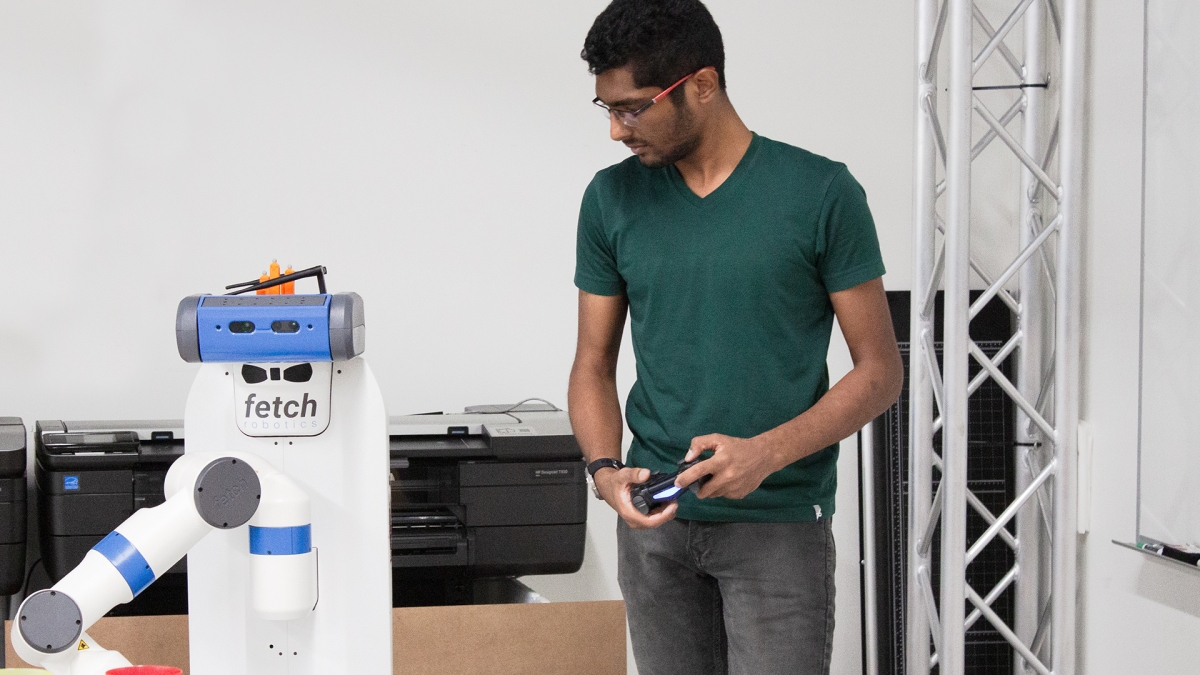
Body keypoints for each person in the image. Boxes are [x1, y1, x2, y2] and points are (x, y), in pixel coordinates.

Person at [568, 1, 905, 674]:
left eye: (631, 109)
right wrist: (605, 471)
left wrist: (766, 453)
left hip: (778, 525)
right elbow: (593, 361)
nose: (614, 130)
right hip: (655, 524)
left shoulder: (821, 193)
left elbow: (879, 372)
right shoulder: (610, 200)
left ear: (702, 84)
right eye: (605, 108)